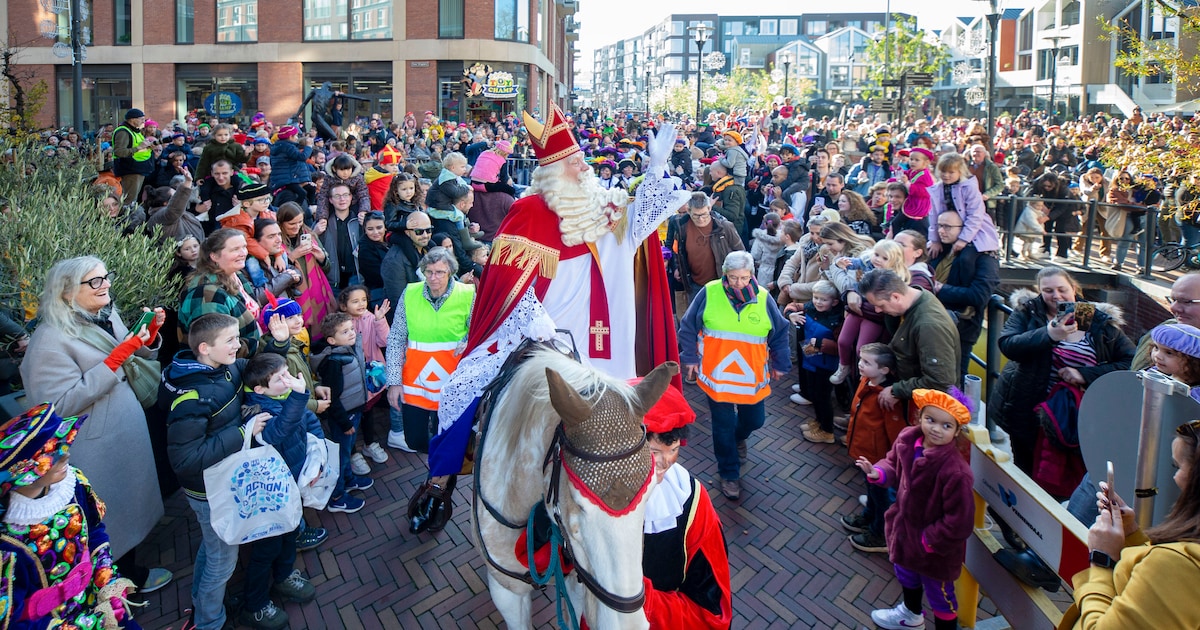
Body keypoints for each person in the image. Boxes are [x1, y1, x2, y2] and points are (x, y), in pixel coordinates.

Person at [409, 107, 687, 534]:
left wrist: (657, 168)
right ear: (553, 172)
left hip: (610, 340)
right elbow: (507, 286)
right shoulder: (529, 213)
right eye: (573, 162)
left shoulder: (605, 205)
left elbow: (644, 223)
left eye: (581, 159)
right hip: (551, 338)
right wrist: (532, 317)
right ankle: (441, 482)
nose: (583, 166)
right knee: (468, 389)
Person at [20, 257, 172, 597]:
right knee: (111, 518)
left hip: (123, 431)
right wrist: (115, 361)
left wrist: (147, 340)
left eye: (105, 277)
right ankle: (121, 586)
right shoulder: (49, 341)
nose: (105, 284)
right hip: (96, 445)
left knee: (129, 504)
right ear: (66, 292)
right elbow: (55, 406)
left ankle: (127, 574)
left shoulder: (105, 315)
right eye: (93, 281)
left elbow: (129, 354)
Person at [159, 312, 291, 630]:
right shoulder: (193, 398)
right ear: (205, 348)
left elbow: (252, 370)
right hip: (208, 490)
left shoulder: (224, 367)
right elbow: (186, 459)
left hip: (221, 477)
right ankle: (208, 622)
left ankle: (202, 602)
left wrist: (279, 345)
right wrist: (242, 431)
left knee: (213, 544)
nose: (239, 345)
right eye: (230, 340)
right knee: (223, 558)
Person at [0, 404, 143, 629]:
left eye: (63, 447)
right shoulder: (7, 540)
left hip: (98, 603)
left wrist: (106, 580)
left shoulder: (70, 484)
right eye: (53, 455)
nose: (65, 455)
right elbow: (11, 619)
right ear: (25, 471)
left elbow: (94, 530)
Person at [991, 266, 1135, 474]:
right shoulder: (1030, 312)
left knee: (1068, 474)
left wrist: (1084, 375)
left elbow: (1130, 360)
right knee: (1027, 471)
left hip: (1076, 414)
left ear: (1073, 289)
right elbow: (1008, 344)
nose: (1056, 295)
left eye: (1062, 289)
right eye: (1048, 291)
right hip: (1032, 410)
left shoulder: (1094, 319)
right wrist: (1048, 334)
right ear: (1040, 291)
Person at [1058, 418, 1200, 628]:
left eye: (1177, 466)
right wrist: (1132, 535)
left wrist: (1102, 559)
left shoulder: (1178, 565)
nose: (1175, 478)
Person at [678, 251, 792, 500]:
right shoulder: (709, 292)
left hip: (752, 378)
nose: (738, 283)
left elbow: (780, 331)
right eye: (732, 278)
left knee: (754, 421)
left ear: (751, 275)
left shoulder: (763, 298)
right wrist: (688, 357)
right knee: (722, 426)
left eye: (743, 277)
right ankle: (729, 474)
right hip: (716, 376)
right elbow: (688, 326)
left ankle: (739, 437)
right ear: (724, 275)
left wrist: (781, 361)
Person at [860, 389, 975, 630]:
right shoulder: (907, 440)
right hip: (904, 531)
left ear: (956, 431)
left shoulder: (956, 471)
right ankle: (911, 615)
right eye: (931, 420)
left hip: (934, 549)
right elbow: (892, 463)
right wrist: (877, 473)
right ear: (919, 417)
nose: (936, 429)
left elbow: (960, 521)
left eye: (946, 425)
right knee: (906, 575)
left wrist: (928, 541)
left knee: (941, 597)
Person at [637, 383, 733, 629]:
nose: (665, 462)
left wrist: (641, 601)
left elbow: (711, 610)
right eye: (655, 451)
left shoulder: (689, 500)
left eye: (674, 450)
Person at [237, 354, 321, 629]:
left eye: (287, 373)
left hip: (291, 485)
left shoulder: (283, 397)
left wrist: (318, 451)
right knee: (266, 548)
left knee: (289, 536)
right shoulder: (257, 408)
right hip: (271, 495)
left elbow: (306, 421)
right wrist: (299, 396)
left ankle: (284, 577)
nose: (287, 380)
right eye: (280, 378)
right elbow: (276, 434)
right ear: (259, 388)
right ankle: (255, 604)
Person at [385, 248, 475, 461]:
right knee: (414, 440)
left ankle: (439, 479)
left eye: (440, 272)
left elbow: (478, 333)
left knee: (447, 440)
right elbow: (396, 338)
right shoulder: (410, 293)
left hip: (453, 385)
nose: (433, 278)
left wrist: (469, 341)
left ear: (451, 272)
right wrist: (394, 382)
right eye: (429, 272)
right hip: (416, 383)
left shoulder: (467, 294)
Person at [860, 269, 960, 415]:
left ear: (895, 296)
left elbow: (940, 382)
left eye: (880, 305)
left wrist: (897, 390)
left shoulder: (929, 326)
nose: (877, 310)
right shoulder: (916, 299)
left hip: (926, 411)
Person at [840, 343, 905, 553]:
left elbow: (896, 434)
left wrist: (890, 461)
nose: (860, 364)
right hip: (866, 452)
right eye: (860, 360)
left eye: (866, 362)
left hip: (879, 458)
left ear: (884, 370)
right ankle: (870, 515)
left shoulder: (887, 399)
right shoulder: (866, 381)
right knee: (871, 489)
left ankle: (880, 533)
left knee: (882, 494)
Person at [927, 210, 1002, 380]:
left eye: (947, 227)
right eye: (939, 226)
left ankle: (958, 405)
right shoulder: (942, 248)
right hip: (936, 320)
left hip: (962, 327)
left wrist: (941, 288)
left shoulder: (984, 257)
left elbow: (979, 295)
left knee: (955, 376)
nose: (941, 231)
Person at [311, 312, 373, 513]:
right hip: (345, 416)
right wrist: (345, 422)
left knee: (346, 450)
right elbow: (333, 397)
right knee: (341, 455)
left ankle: (348, 480)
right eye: (345, 332)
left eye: (352, 329)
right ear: (331, 340)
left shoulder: (345, 350)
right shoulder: (334, 362)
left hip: (353, 410)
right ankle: (337, 496)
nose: (351, 333)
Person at [179, 229, 266, 355]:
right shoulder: (206, 293)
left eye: (244, 247)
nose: (243, 253)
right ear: (214, 256)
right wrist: (265, 345)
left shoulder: (237, 275)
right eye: (235, 249)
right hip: (229, 370)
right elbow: (216, 348)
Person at [784, 280, 843, 444]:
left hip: (825, 365)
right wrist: (790, 313)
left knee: (823, 397)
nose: (818, 302)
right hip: (811, 358)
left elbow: (842, 347)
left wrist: (820, 344)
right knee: (814, 394)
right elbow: (794, 306)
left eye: (823, 299)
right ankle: (819, 422)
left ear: (834, 302)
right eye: (816, 297)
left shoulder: (838, 319)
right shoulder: (811, 307)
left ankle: (827, 431)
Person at [666, 192, 745, 301]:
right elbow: (678, 250)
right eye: (696, 215)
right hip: (694, 285)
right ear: (688, 211)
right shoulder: (681, 226)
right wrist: (677, 267)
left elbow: (741, 254)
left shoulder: (724, 227)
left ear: (709, 208)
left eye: (704, 214)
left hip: (721, 284)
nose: (701, 219)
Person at [926, 153, 1000, 259]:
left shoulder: (969, 188)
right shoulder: (937, 189)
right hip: (947, 230)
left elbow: (975, 215)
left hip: (974, 232)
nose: (946, 175)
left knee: (966, 259)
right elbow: (934, 216)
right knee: (932, 256)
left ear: (960, 172)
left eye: (951, 172)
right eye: (943, 171)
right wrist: (935, 240)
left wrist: (964, 239)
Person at [1132, 273, 1200, 370]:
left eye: (1186, 301)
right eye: (1173, 300)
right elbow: (1134, 374)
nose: (1173, 307)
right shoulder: (1165, 330)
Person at [381, 211, 433, 323]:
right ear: (407, 233)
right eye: (419, 231)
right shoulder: (394, 260)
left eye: (428, 230)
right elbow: (398, 302)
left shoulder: (430, 250)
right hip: (411, 321)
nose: (425, 235)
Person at [112, 108, 155, 208]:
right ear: (132, 119)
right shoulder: (123, 131)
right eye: (141, 119)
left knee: (133, 199)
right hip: (130, 170)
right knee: (129, 200)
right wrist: (139, 147)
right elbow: (119, 152)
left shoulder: (135, 131)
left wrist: (148, 147)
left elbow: (138, 148)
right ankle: (126, 220)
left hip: (138, 168)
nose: (143, 122)